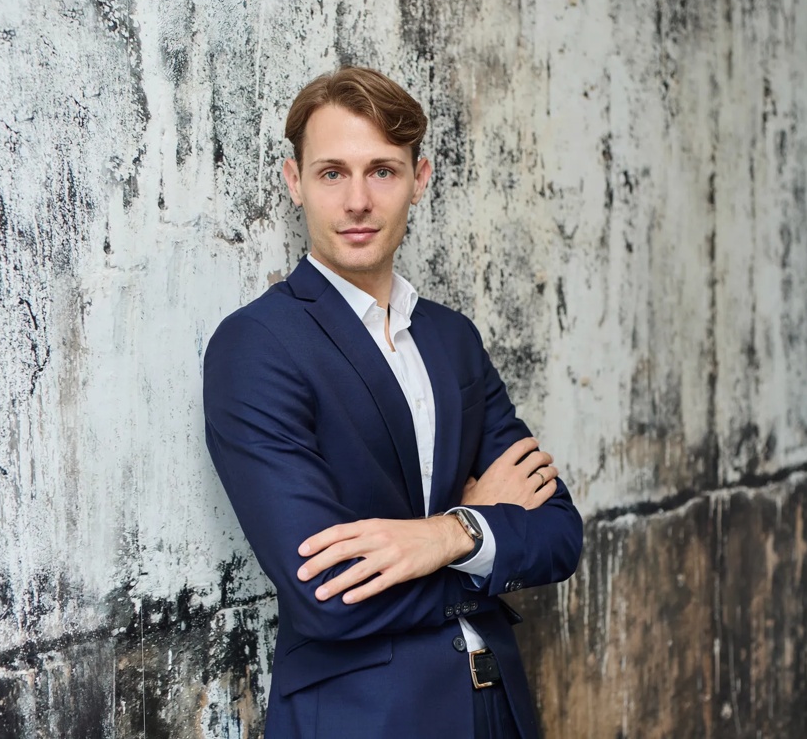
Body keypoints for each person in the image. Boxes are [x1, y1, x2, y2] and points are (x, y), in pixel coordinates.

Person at [203, 66, 583, 739]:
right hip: (366, 717)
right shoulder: (257, 346)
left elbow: (559, 535)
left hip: (498, 709)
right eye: (331, 173)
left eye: (381, 171)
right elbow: (330, 596)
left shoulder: (452, 339)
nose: (357, 201)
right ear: (295, 183)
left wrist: (446, 533)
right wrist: (488, 528)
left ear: (420, 178)